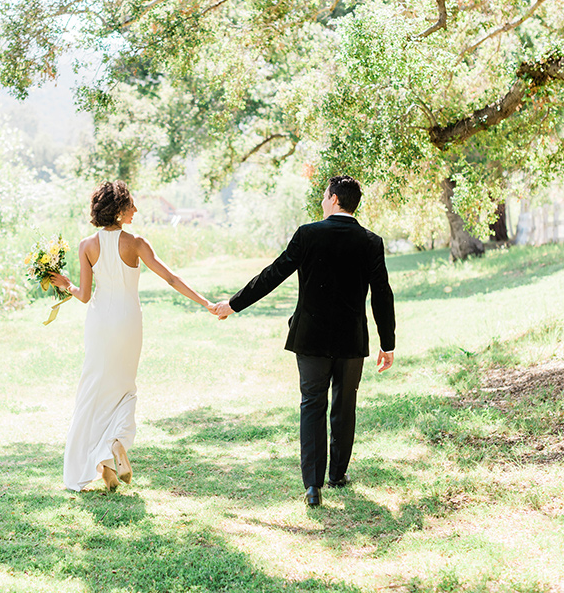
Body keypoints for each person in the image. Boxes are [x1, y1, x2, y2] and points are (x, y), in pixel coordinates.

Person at [210, 175, 395, 507]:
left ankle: (313, 486)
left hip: (310, 337)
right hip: (352, 339)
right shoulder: (371, 241)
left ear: (335, 199)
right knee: (344, 403)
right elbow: (382, 293)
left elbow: (274, 273)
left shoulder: (308, 234)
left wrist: (233, 305)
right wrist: (388, 342)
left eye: (326, 196)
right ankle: (337, 473)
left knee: (312, 404)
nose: (323, 201)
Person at [49, 180, 214, 492]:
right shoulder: (137, 243)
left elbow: (83, 296)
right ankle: (113, 450)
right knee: (125, 389)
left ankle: (101, 459)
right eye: (132, 206)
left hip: (99, 323)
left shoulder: (87, 246)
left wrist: (66, 284)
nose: (136, 210)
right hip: (128, 322)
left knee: (94, 390)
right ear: (119, 210)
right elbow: (171, 278)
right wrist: (205, 302)